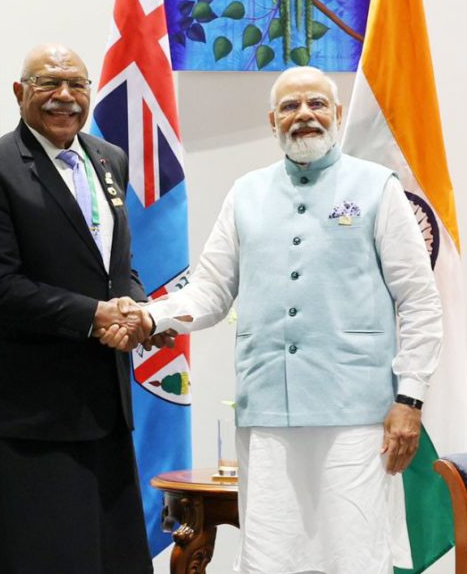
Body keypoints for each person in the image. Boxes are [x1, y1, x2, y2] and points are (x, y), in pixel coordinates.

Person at [130, 66, 444, 574]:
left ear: (337, 114)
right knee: (270, 558)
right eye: (290, 106)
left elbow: (419, 300)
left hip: (356, 413)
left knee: (354, 555)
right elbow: (210, 290)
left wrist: (410, 398)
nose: (304, 115)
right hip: (268, 414)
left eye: (316, 104)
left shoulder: (376, 187)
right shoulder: (246, 193)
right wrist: (148, 317)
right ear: (272, 121)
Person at [0, 43, 155, 574]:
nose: (65, 95)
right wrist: (95, 316)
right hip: (29, 418)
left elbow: (116, 263)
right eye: (49, 83)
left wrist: (136, 312)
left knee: (113, 562)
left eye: (77, 84)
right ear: (20, 92)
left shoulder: (109, 159)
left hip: (105, 408)